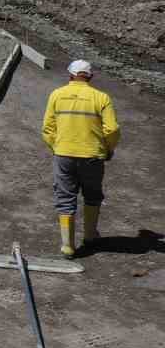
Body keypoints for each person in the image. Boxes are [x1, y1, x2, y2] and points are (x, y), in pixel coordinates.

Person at [43, 59, 120, 259]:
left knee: (65, 198)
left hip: (64, 155)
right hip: (92, 156)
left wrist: (57, 147)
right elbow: (112, 129)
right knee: (92, 195)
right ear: (90, 77)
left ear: (69, 75)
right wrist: (108, 149)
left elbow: (48, 129)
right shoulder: (101, 97)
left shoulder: (57, 95)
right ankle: (90, 236)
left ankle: (68, 246)